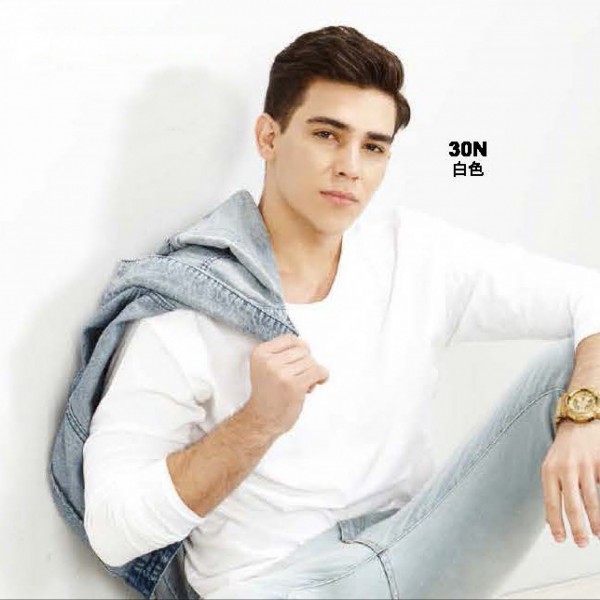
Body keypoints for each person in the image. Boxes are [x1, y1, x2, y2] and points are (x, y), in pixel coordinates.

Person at [78, 25, 600, 599]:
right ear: (269, 138)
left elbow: (590, 296)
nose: (351, 166)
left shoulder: (414, 255)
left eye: (373, 147)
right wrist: (258, 422)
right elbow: (112, 530)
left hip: (412, 550)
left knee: (574, 366)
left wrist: (583, 414)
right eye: (327, 135)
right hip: (277, 585)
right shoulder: (187, 309)